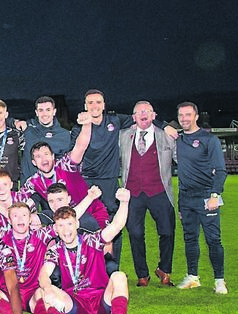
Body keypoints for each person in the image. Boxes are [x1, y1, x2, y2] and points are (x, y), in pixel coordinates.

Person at [71, 90, 177, 265]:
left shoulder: (115, 121)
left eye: (98, 102)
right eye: (90, 103)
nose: (94, 106)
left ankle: (114, 266)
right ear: (85, 106)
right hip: (87, 182)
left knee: (114, 225)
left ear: (104, 105)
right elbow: (73, 158)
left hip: (110, 182)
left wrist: (164, 125)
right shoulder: (77, 129)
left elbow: (143, 117)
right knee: (84, 224)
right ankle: (84, 267)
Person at [38, 189, 132, 314]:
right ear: (56, 228)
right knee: (44, 288)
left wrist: (124, 203)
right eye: (61, 226)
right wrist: (48, 289)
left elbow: (116, 226)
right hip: (74, 303)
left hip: (101, 300)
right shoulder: (55, 250)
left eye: (69, 224)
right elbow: (43, 274)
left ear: (77, 224)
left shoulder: (92, 240)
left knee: (119, 276)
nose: (66, 230)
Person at [119, 101, 177, 287]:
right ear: (133, 117)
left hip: (159, 191)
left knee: (167, 232)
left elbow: (181, 159)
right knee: (135, 234)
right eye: (139, 112)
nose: (143, 114)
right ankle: (142, 274)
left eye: (147, 111)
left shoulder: (167, 136)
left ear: (154, 115)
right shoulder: (122, 137)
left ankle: (164, 269)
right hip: (133, 193)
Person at [175, 102, 227, 294]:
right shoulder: (178, 139)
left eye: (188, 115)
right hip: (186, 198)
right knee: (190, 239)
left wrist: (215, 195)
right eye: (181, 115)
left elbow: (221, 170)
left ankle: (219, 280)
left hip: (206, 196)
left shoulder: (208, 139)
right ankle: (193, 277)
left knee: (213, 240)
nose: (184, 119)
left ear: (196, 116)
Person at [22, 96, 72, 181]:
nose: (44, 114)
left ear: (54, 111)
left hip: (55, 188)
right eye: (41, 110)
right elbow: (1, 122)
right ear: (36, 112)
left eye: (48, 110)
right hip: (30, 189)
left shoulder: (65, 135)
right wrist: (13, 122)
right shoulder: (28, 130)